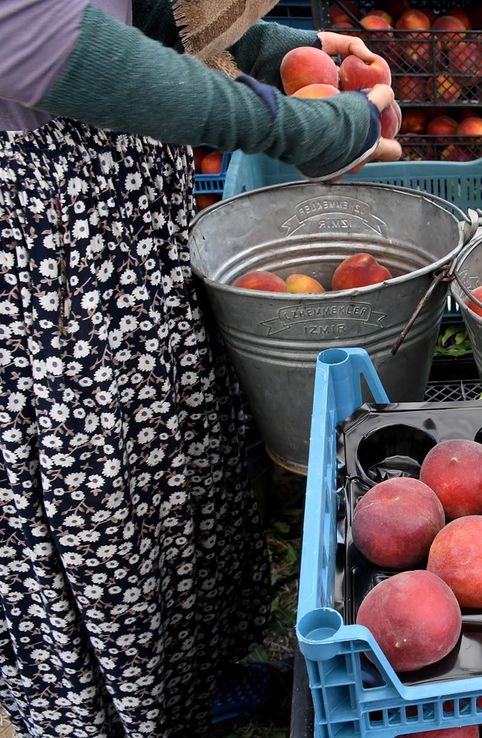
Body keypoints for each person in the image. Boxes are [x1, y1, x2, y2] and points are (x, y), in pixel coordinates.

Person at [0, 1, 400, 734]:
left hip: (129, 227)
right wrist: (302, 129)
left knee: (169, 463)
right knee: (96, 495)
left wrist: (260, 44)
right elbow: (46, 42)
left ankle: (183, 679)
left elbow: (122, 10)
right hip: (52, 257)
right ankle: (119, 712)